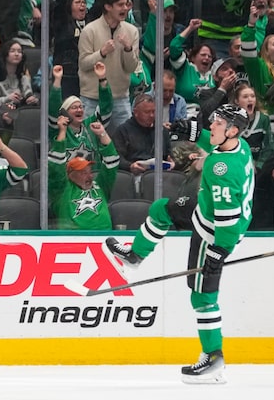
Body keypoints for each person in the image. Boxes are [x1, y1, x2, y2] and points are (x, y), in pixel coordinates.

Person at [106, 104, 253, 384]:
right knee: (162, 209)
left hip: (215, 231)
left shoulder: (222, 169)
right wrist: (192, 131)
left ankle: (213, 358)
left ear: (232, 130)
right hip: (207, 211)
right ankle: (135, 255)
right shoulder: (238, 144)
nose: (213, 126)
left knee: (202, 296)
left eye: (218, 123)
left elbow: (228, 219)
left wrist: (219, 252)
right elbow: (213, 139)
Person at [78, 0, 140, 132]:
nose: (125, 8)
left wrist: (128, 49)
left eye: (126, 4)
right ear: (107, 6)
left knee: (125, 141)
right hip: (92, 98)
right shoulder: (89, 30)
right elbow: (84, 63)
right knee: (89, 141)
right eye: (120, 5)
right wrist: (101, 52)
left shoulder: (132, 31)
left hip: (120, 98)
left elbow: (132, 67)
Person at [48, 117, 118, 230]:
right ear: (70, 174)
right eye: (83, 172)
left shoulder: (100, 185)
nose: (90, 176)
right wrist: (62, 131)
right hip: (74, 240)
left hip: (104, 238)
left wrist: (102, 134)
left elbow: (112, 162)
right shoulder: (61, 189)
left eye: (90, 172)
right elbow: (55, 164)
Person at [48, 63, 112, 165]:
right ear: (65, 113)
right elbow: (53, 107)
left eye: (81, 107)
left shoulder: (92, 126)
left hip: (91, 177)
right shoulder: (58, 128)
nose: (79, 110)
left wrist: (102, 79)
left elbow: (106, 107)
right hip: (66, 178)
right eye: (74, 107)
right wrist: (57, 80)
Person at [112, 93, 173, 174]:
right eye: (147, 112)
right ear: (136, 112)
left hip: (160, 174)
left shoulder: (161, 130)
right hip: (133, 174)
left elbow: (168, 154)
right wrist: (130, 166)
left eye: (154, 111)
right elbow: (116, 158)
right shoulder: (122, 131)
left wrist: (172, 162)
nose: (151, 115)